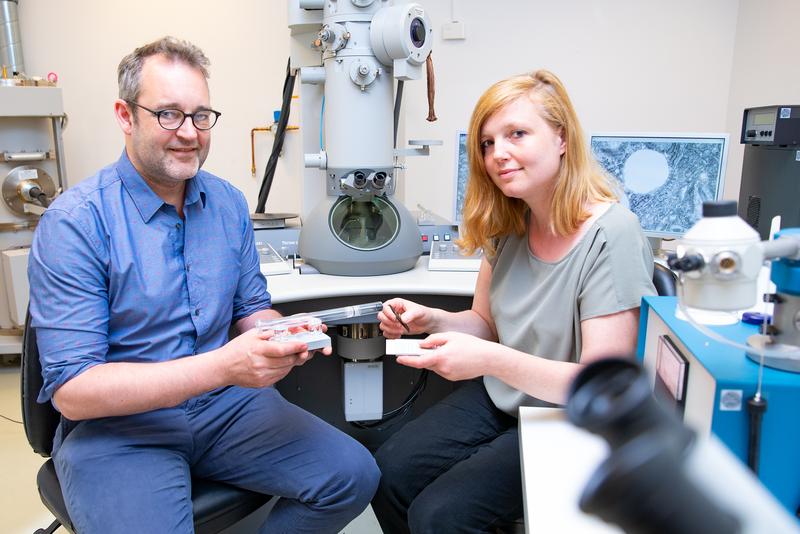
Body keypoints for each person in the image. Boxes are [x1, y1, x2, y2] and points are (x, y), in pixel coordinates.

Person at [28, 36, 380, 534]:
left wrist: (281, 331)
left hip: (226, 409)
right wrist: (224, 365)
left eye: (200, 116)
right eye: (168, 114)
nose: (189, 133)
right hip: (120, 429)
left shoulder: (228, 203)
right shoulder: (76, 223)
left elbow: (251, 307)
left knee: (353, 476)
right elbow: (75, 393)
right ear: (126, 116)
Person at [371, 70, 656, 533]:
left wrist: (489, 359)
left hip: (569, 416)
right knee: (387, 474)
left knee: (441, 516)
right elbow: (485, 322)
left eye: (517, 134)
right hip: (506, 398)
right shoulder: (510, 224)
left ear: (562, 138)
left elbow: (599, 385)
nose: (497, 154)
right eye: (486, 143)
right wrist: (434, 320)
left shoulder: (612, 235)